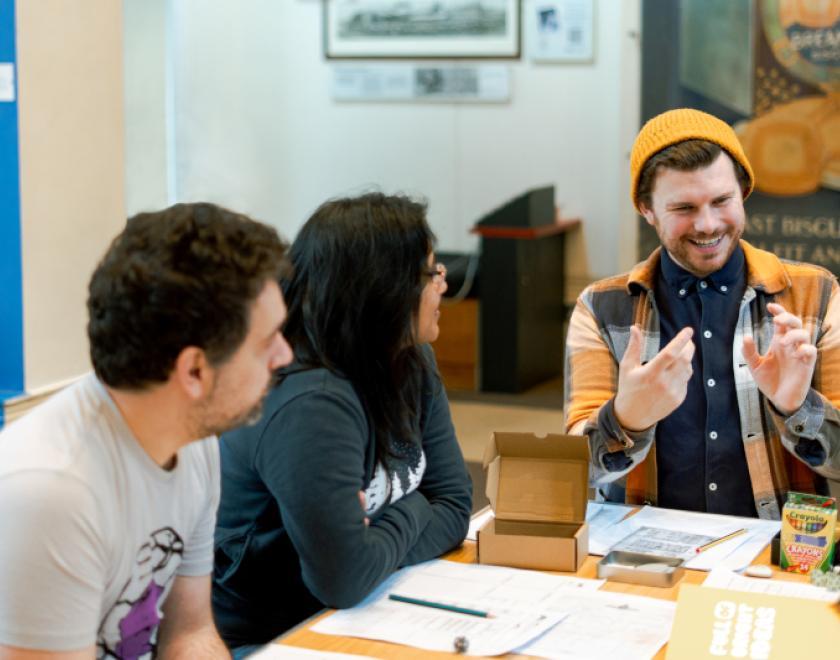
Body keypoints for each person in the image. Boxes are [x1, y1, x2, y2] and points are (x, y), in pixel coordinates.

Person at [0, 203, 293, 659]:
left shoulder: (193, 438)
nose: (284, 355)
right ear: (194, 370)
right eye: (266, 341)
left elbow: (189, 633)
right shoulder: (51, 493)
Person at [212, 193, 472, 650]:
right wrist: (414, 509)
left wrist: (377, 538)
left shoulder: (411, 358)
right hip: (269, 639)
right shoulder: (312, 401)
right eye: (432, 274)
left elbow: (453, 506)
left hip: (363, 611)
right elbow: (344, 579)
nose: (442, 287)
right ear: (383, 290)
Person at [565, 108, 840, 520]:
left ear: (743, 192)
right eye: (684, 208)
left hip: (777, 551)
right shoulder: (601, 308)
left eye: (721, 201)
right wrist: (627, 420)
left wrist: (797, 408)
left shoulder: (815, 294)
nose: (708, 224)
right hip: (642, 553)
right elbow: (573, 472)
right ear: (646, 209)